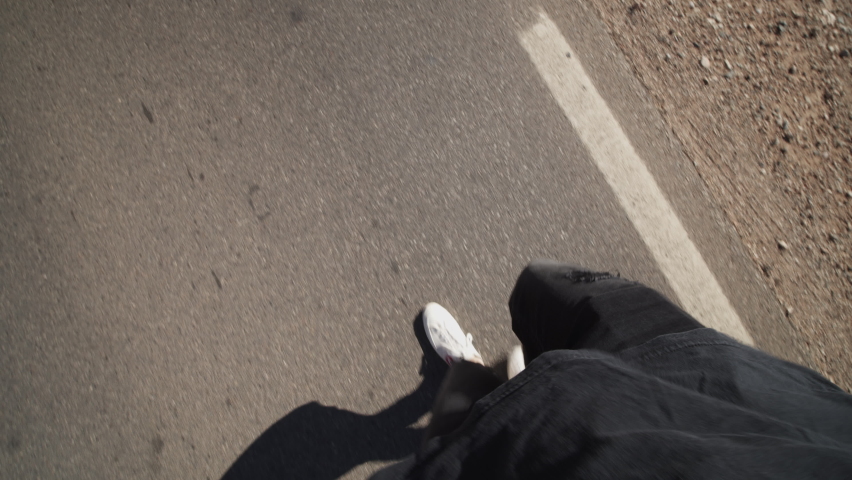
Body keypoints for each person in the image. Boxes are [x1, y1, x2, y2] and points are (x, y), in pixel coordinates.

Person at [371, 259, 852, 479]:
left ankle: (482, 388)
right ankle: (518, 379)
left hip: (516, 455)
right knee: (540, 289)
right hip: (707, 374)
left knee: (460, 423)